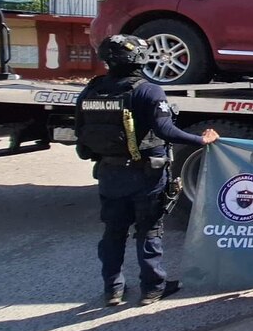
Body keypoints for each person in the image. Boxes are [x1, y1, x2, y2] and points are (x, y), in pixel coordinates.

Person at [75, 34, 219, 307]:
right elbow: (165, 130)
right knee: (149, 230)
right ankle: (153, 288)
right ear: (139, 58)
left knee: (113, 232)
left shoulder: (91, 91)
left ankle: (113, 289)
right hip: (146, 174)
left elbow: (80, 133)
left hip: (109, 172)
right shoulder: (147, 90)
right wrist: (201, 140)